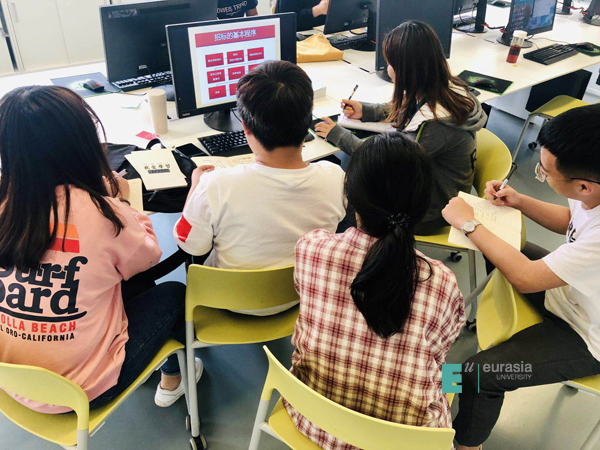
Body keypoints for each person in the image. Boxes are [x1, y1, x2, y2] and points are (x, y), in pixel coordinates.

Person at [0, 86, 197, 413]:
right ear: (81, 144)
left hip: (14, 383)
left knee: (110, 278)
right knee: (173, 292)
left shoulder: (7, 204)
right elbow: (148, 256)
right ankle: (174, 379)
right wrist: (121, 202)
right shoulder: (101, 212)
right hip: (83, 390)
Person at [285, 133, 465, 448]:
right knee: (456, 372)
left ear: (350, 198)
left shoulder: (311, 247)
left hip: (312, 417)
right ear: (422, 204)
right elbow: (440, 353)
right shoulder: (441, 281)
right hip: (403, 441)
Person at [441, 104, 600, 450]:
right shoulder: (592, 188)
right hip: (569, 291)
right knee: (499, 245)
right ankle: (444, 397)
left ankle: (466, 444)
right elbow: (572, 221)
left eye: (544, 173)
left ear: (584, 186)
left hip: (587, 336)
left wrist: (469, 223)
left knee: (475, 374)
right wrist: (519, 201)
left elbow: (527, 278)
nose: (539, 174)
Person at [174, 60, 346, 315]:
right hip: (301, 296)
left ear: (245, 127)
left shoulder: (215, 186)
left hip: (230, 302)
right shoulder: (336, 178)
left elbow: (190, 246)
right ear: (307, 120)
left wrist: (195, 187)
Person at [314, 21, 487, 234]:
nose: (387, 69)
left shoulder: (435, 128)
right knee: (350, 167)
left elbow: (384, 161)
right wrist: (367, 110)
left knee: (346, 199)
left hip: (433, 211)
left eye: (389, 63)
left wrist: (338, 135)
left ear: (407, 71)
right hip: (434, 187)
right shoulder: (446, 87)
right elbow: (409, 105)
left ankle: (353, 246)